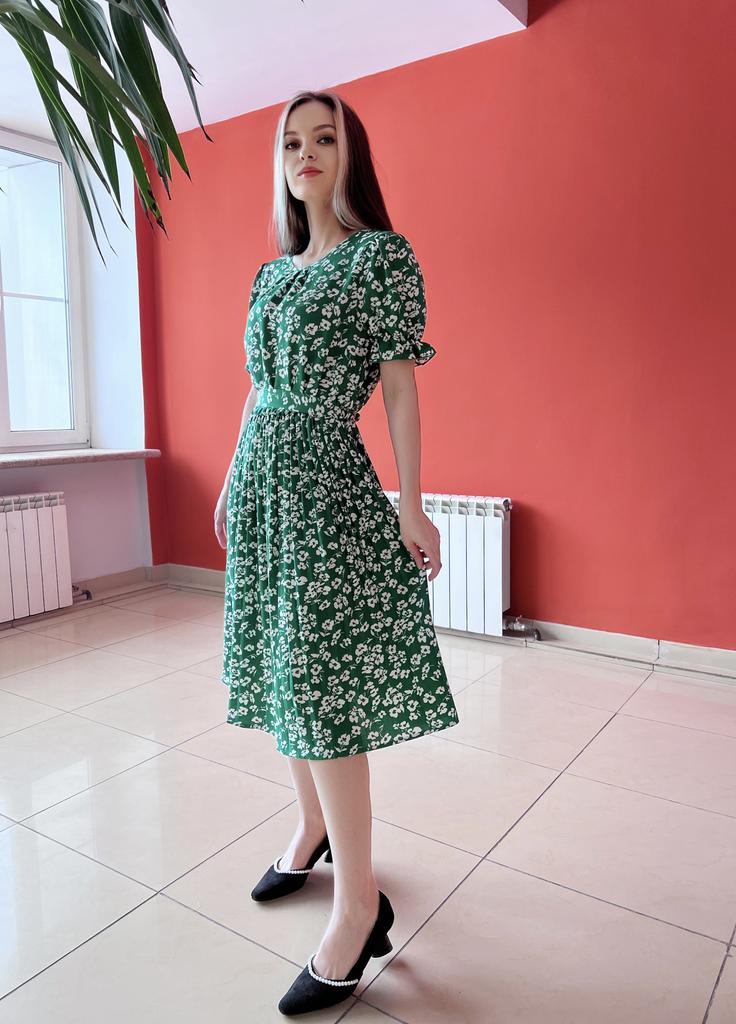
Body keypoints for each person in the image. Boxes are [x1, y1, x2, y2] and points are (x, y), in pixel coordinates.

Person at [213, 88, 460, 1015]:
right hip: (266, 494)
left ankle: (360, 908)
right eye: (292, 142)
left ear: (348, 156)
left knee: (318, 691)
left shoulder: (379, 259)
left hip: (324, 491)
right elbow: (256, 390)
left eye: (324, 139)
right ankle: (311, 829)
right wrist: (231, 480)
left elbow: (398, 386)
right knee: (284, 672)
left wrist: (413, 504)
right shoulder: (271, 275)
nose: (306, 154)